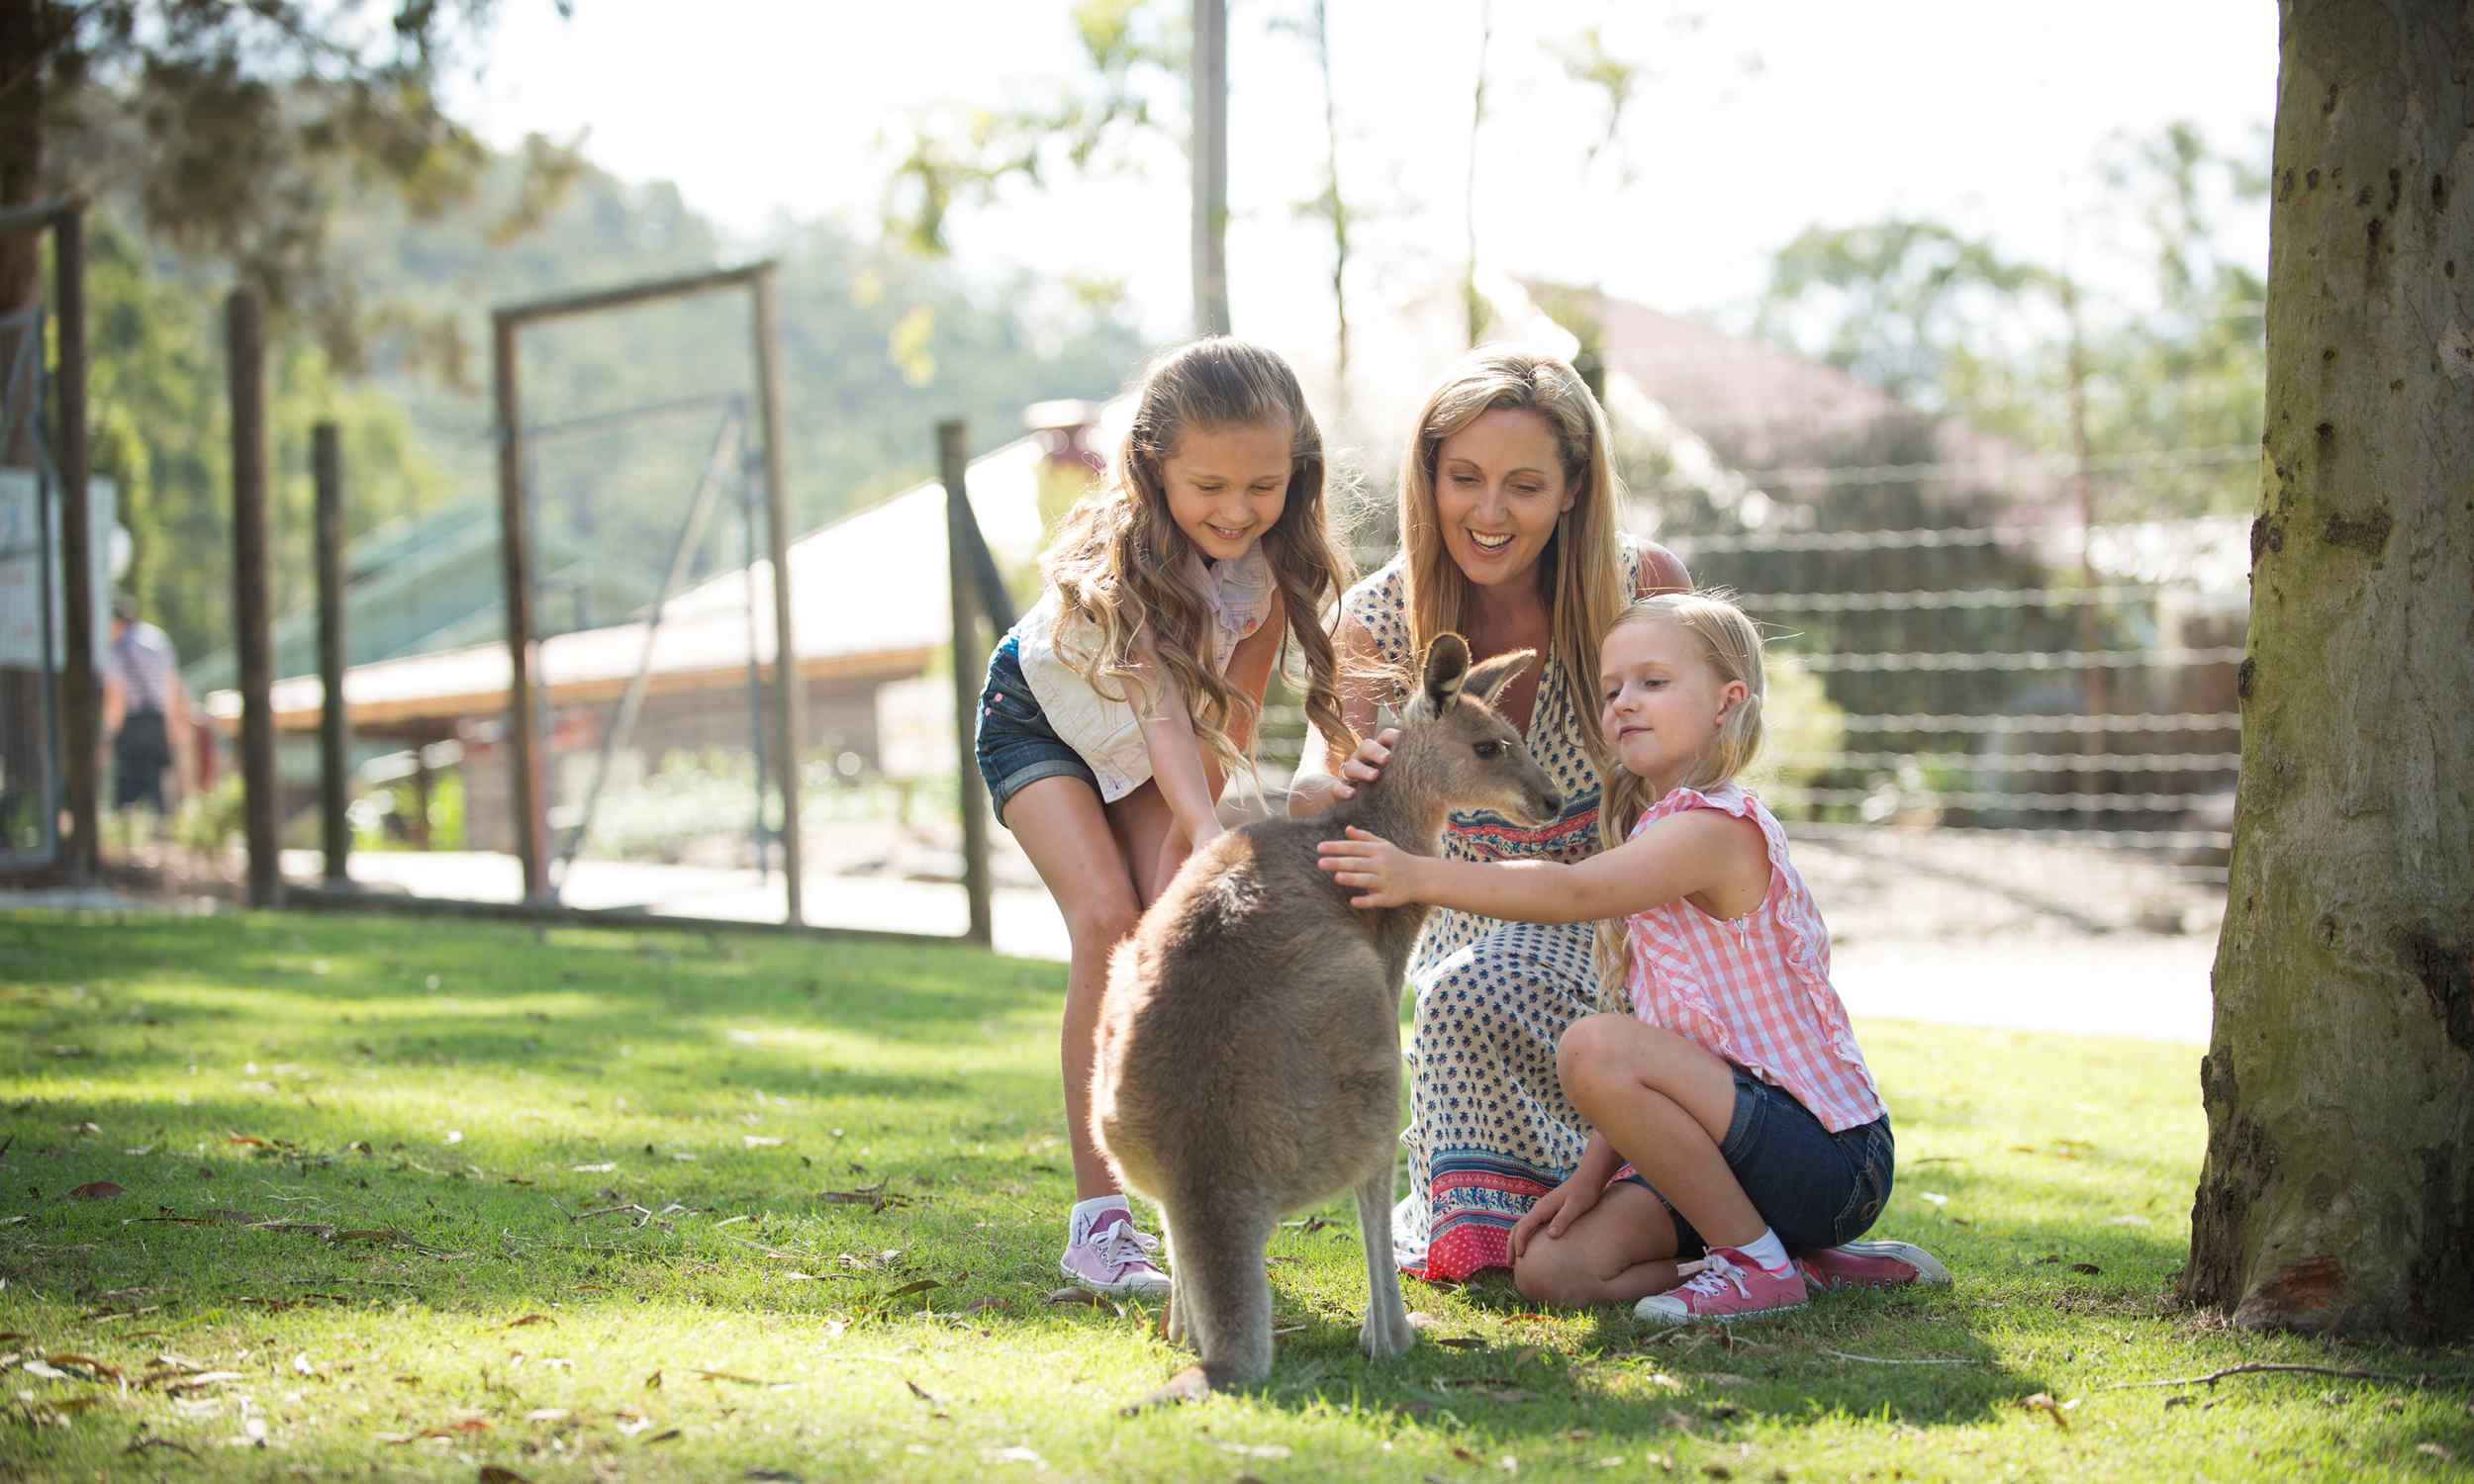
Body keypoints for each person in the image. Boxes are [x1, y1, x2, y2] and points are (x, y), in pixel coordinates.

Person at [1318, 592, 1949, 1320]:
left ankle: (1755, 1266)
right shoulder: (1654, 829)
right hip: (1731, 1156)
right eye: (1612, 688)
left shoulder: (1714, 826)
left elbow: (1578, 892)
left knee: (1593, 1045)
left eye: (1653, 682)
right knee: (1553, 1271)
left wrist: (1417, 873)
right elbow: (1671, 1052)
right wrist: (1587, 1184)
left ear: (1726, 701)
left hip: (1828, 1162)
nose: (1624, 703)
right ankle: (1795, 1263)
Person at [1288, 345, 1688, 1284]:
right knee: (1466, 983)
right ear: (1427, 479)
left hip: (1622, 926)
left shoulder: (1643, 588)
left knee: (1476, 985)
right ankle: (1505, 1229)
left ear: (1574, 490)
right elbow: (1314, 782)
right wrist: (1350, 772)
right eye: (1463, 478)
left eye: (1524, 485)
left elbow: (1708, 775)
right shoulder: (1381, 617)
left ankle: (1670, 1210)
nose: (1490, 512)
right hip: (1463, 926)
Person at [974, 337, 1353, 1297]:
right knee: (1107, 926)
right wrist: (1213, 830)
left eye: (1262, 486)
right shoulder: (1137, 562)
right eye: (1208, 486)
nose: (1235, 510)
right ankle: (1097, 1224)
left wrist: (1207, 843)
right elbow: (1159, 722)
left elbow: (1220, 733)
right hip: (1039, 725)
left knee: (1165, 945)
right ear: (1153, 469)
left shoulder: (1267, 576)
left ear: (1294, 472)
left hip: (1162, 751)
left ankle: (1193, 1205)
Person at [101, 592, 193, 821]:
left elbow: (116, 698)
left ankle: (126, 836)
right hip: (158, 720)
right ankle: (164, 832)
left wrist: (108, 733)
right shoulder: (157, 639)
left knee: (126, 787)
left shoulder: (116, 649)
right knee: (157, 785)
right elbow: (171, 685)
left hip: (132, 723)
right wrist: (172, 725)